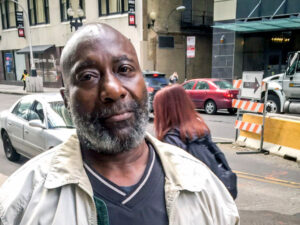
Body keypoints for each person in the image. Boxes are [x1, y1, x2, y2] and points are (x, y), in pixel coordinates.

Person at [0, 23, 239, 225]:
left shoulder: (203, 187)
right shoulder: (21, 200)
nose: (113, 90)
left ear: (144, 85)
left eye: (124, 69)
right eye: (88, 77)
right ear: (66, 100)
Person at [153, 84, 237, 199]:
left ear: (164, 110)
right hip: (216, 192)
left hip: (198, 200)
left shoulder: (171, 139)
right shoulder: (199, 127)